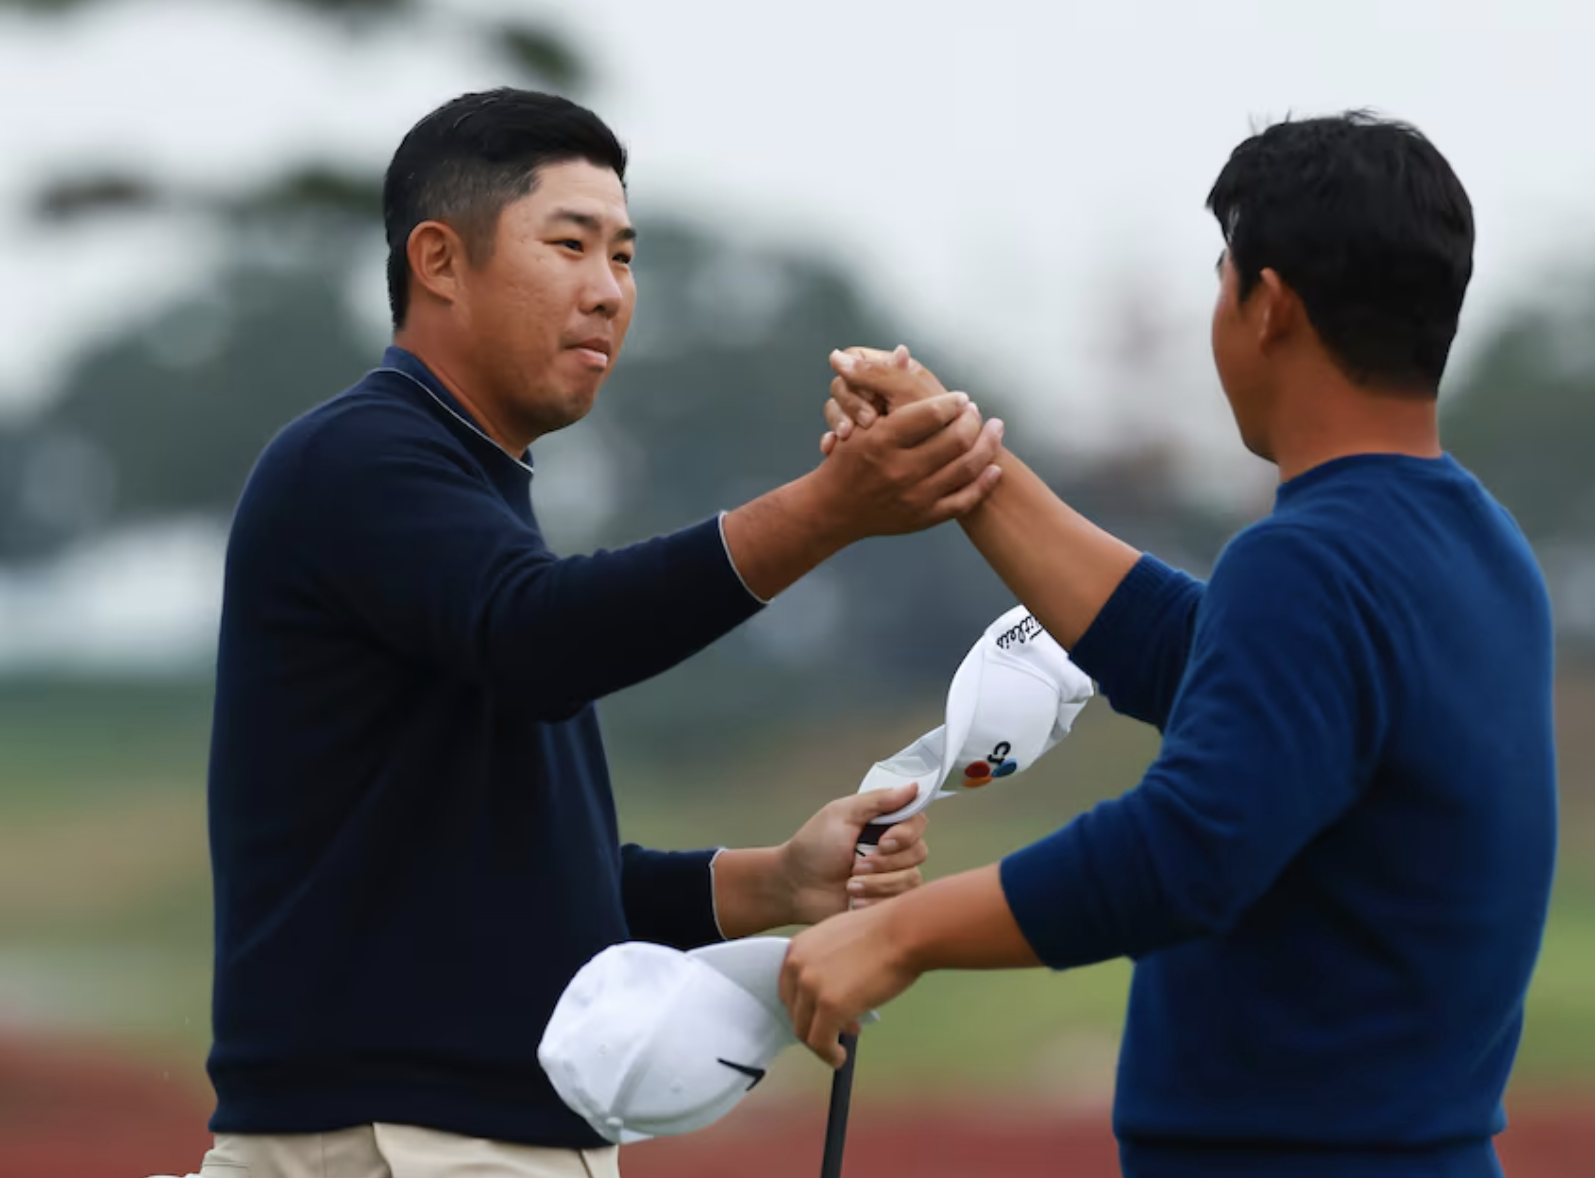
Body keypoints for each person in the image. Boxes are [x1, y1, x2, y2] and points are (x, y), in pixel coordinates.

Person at [196, 88, 1005, 1178]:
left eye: (625, 257)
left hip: (427, 1132)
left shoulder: (460, 488)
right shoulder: (363, 457)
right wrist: (831, 508)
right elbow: (544, 638)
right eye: (569, 245)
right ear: (439, 260)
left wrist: (774, 880)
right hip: (411, 1139)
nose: (608, 292)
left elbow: (536, 877)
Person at [783, 112, 1559, 1178]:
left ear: (1269, 306)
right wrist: (967, 463)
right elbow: (1198, 655)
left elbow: (1190, 847)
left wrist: (894, 934)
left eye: (1222, 276)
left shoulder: (1308, 560)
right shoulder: (1476, 544)